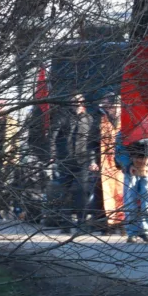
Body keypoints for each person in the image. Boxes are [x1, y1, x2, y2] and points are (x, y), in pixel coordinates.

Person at [50, 94, 94, 231]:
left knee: (81, 190)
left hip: (82, 160)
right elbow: (53, 136)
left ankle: (81, 221)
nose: (78, 103)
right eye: (75, 101)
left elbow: (92, 141)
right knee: (64, 191)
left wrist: (93, 160)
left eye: (80, 101)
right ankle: (65, 222)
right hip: (65, 159)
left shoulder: (88, 119)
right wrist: (52, 155)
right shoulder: (62, 116)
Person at [88, 95, 124, 234]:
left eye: (116, 107)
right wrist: (92, 160)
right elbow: (91, 143)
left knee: (121, 193)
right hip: (102, 162)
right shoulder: (98, 121)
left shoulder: (125, 121)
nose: (113, 110)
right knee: (103, 194)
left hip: (120, 163)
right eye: (111, 107)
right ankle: (104, 225)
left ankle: (120, 223)